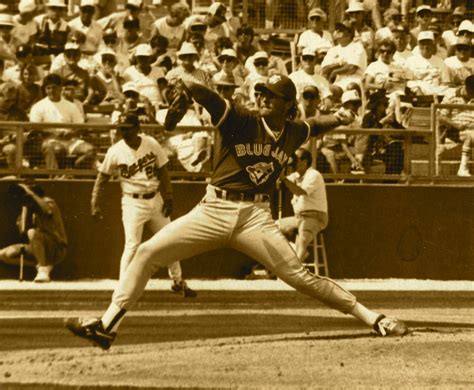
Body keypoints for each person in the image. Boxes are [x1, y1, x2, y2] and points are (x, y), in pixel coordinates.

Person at [65, 74, 408, 350]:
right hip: (212, 209)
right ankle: (107, 326)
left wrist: (341, 117)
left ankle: (372, 318)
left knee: (299, 277)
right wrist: (184, 80)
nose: (263, 97)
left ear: (288, 105)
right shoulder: (242, 120)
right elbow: (209, 96)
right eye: (262, 92)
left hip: (255, 217)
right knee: (146, 252)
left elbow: (316, 125)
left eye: (272, 95)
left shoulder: (292, 131)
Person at [90, 112, 197, 297]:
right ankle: (123, 287)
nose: (124, 132)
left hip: (155, 198)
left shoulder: (151, 144)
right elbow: (102, 178)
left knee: (171, 240)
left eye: (128, 129)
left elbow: (163, 171)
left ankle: (178, 281)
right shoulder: (115, 150)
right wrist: (94, 202)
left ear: (138, 129)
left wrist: (169, 197)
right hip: (132, 201)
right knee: (132, 245)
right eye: (121, 129)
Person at [0, 181, 67, 282]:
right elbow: (23, 233)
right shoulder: (31, 211)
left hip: (56, 248)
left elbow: (47, 211)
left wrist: (30, 193)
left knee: (32, 232)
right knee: (4, 254)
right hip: (40, 250)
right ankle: (40, 265)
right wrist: (22, 218)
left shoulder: (48, 201)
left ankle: (43, 270)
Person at [278, 148, 328, 268]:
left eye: (296, 160)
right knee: (272, 228)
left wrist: (284, 179)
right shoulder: (295, 175)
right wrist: (278, 175)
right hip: (298, 218)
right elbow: (279, 181)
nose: (293, 163)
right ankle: (294, 250)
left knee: (304, 234)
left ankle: (295, 270)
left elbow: (301, 191)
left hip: (315, 217)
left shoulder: (313, 175)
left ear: (304, 162)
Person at [438, 74, 474, 177]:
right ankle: (462, 168)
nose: (473, 95)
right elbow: (440, 116)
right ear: (465, 86)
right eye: (471, 92)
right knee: (470, 135)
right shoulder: (451, 94)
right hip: (454, 131)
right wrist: (456, 125)